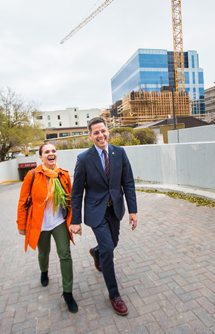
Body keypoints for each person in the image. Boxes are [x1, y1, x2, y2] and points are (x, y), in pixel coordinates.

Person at [70, 117, 138, 316]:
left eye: (103, 131)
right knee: (109, 249)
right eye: (96, 132)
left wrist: (133, 211)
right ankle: (114, 295)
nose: (101, 135)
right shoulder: (84, 159)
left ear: (108, 131)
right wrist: (75, 220)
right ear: (90, 136)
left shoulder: (120, 153)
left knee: (112, 243)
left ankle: (96, 252)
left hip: (115, 209)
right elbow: (77, 192)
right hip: (95, 210)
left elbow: (129, 183)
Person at [16, 143, 78, 313]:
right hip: (40, 224)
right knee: (43, 253)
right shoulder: (33, 175)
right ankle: (44, 271)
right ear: (41, 156)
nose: (51, 153)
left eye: (53, 151)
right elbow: (23, 201)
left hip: (59, 222)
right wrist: (21, 225)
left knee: (65, 255)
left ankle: (68, 293)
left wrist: (75, 221)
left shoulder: (63, 175)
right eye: (46, 151)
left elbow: (70, 200)